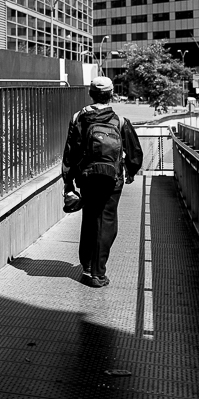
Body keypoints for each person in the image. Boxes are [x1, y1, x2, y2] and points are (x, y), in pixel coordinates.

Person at [62, 76, 143, 288]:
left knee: (90, 218)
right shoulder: (120, 121)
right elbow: (135, 152)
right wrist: (131, 171)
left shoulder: (79, 118)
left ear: (90, 94)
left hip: (87, 178)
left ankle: (87, 265)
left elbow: (70, 153)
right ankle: (98, 273)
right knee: (107, 222)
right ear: (111, 94)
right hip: (112, 179)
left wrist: (68, 183)